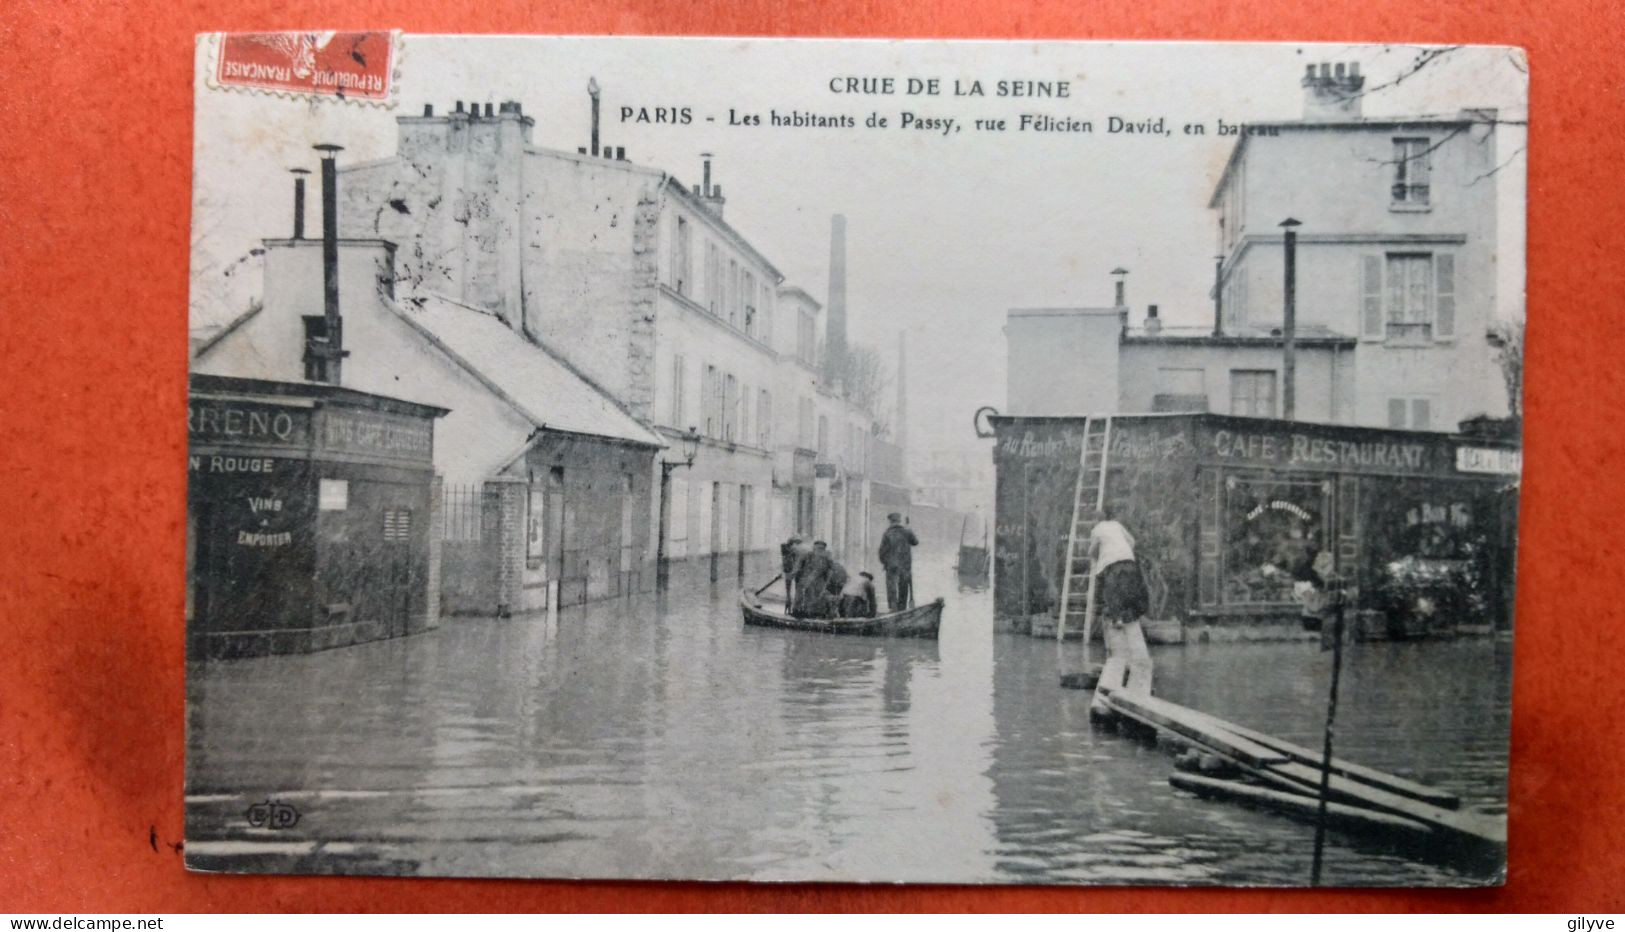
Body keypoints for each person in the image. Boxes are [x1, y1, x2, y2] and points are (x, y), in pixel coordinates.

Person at [1087, 506, 1153, 702]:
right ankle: (1125, 620)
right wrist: (1123, 551)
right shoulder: (1116, 524)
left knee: (1111, 593)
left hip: (1111, 566)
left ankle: (1116, 620)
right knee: (1128, 594)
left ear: (1096, 521)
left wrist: (1095, 558)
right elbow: (1132, 541)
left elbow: (1091, 551)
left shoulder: (1096, 530)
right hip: (1129, 562)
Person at [879, 512, 919, 611]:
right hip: (905, 566)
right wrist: (910, 529)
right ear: (899, 521)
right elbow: (915, 542)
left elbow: (881, 552)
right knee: (903, 587)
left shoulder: (887, 533)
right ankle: (902, 609)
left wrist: (885, 563)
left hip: (891, 566)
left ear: (890, 521)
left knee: (891, 587)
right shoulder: (907, 532)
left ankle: (893, 608)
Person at [791, 540, 835, 619]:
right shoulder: (809, 555)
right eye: (818, 548)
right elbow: (798, 566)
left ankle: (804, 613)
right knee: (807, 597)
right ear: (814, 547)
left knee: (812, 597)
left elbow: (831, 570)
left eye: (821, 548)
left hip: (816, 581)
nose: (819, 550)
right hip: (809, 580)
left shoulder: (826, 557)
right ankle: (803, 613)